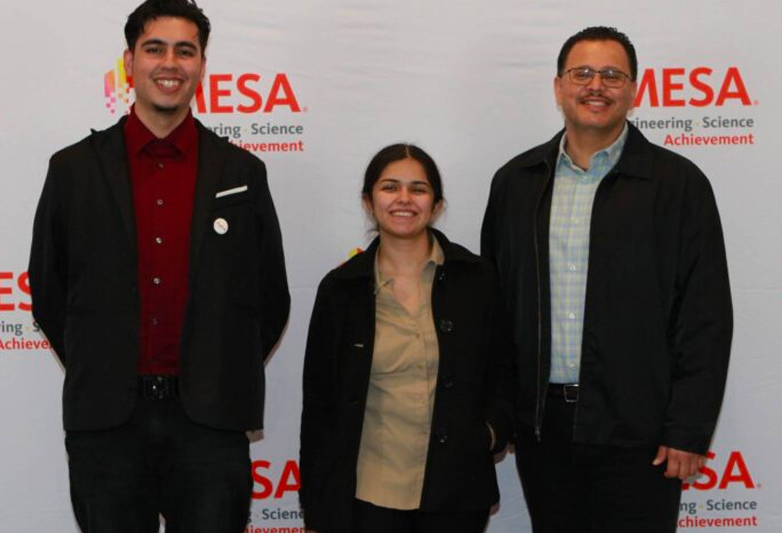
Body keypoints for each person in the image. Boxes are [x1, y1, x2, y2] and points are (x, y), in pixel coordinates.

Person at [28, 0, 290, 530]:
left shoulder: (243, 171)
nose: (170, 63)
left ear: (200, 64)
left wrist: (217, 366)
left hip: (211, 425)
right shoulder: (73, 170)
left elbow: (269, 296)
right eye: (154, 48)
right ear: (129, 61)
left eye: (185, 51)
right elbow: (49, 293)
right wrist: (101, 363)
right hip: (106, 423)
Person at [481, 26, 732, 532]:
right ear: (558, 87)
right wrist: (501, 412)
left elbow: (704, 317)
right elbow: (495, 309)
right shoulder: (517, 182)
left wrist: (687, 429)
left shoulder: (678, 185)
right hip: (542, 430)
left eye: (612, 74)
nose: (597, 85)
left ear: (634, 90)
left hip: (639, 431)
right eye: (583, 73)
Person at [299, 144, 512, 533]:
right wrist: (316, 509)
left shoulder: (477, 278)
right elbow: (319, 406)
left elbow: (505, 372)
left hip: (456, 493)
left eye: (418, 189)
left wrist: (488, 434)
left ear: (436, 204)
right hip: (367, 494)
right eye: (390, 187)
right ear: (369, 201)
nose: (403, 199)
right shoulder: (340, 289)